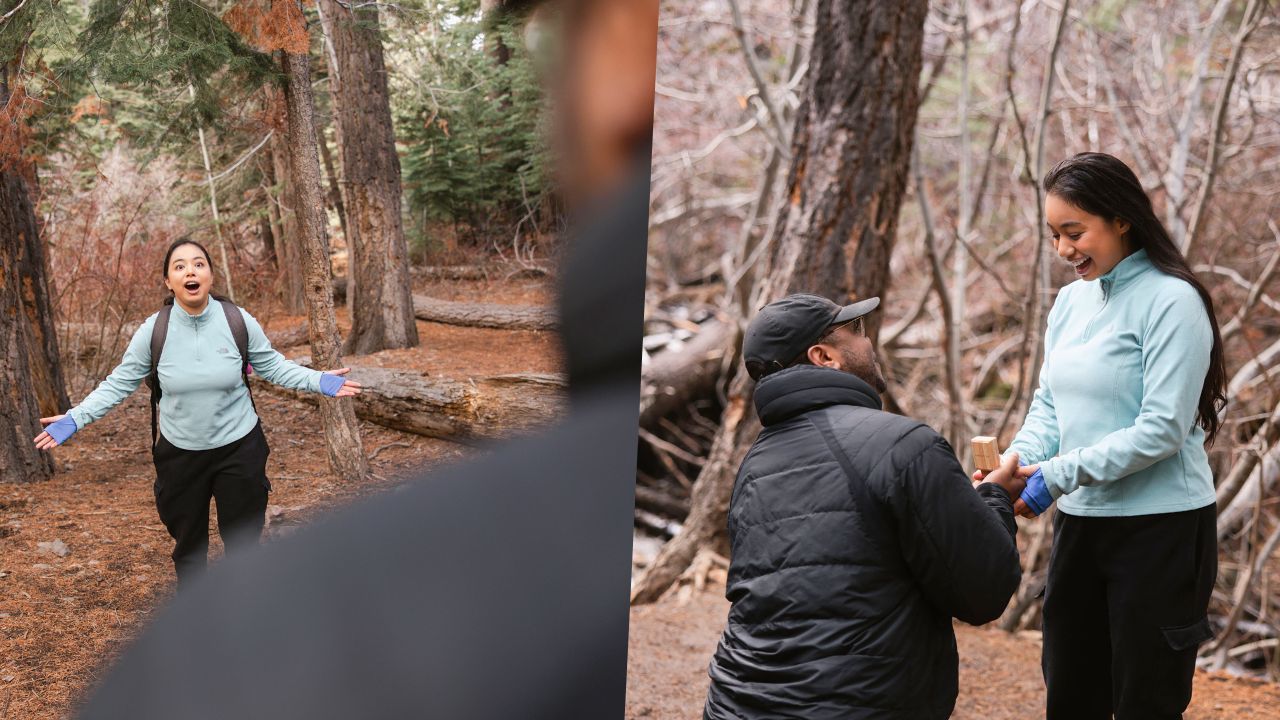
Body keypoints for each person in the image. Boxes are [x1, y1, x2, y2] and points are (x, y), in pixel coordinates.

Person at [981, 152, 1225, 719]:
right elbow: (1048, 406)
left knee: (1147, 699)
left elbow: (1162, 429)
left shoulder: (1172, 300)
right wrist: (1018, 464)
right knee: (1071, 690)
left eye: (1075, 232)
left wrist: (1056, 476)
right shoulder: (1070, 302)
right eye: (1055, 235)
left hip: (1162, 529)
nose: (1064, 249)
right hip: (1083, 526)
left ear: (1120, 219)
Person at [703, 293, 1025, 719]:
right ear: (824, 357)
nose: (868, 340)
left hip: (735, 706)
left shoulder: (754, 465)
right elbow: (985, 591)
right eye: (854, 331)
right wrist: (995, 498)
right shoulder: (905, 445)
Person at [33, 237, 362, 588]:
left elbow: (273, 366)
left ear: (210, 275)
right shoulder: (153, 332)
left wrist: (318, 380)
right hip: (180, 455)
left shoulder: (237, 321)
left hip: (239, 448)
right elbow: (119, 384)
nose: (190, 270)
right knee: (189, 547)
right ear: (168, 281)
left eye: (198, 263)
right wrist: (76, 417)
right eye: (179, 266)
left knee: (243, 544)